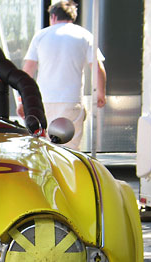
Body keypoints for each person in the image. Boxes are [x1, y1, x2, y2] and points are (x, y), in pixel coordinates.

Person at [17, 0, 106, 150]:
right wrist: (101, 94)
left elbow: (27, 72)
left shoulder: (41, 36)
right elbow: (97, 68)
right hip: (71, 101)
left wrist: (22, 100)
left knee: (42, 146)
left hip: (42, 102)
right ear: (72, 17)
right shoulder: (84, 35)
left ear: (53, 16)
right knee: (69, 149)